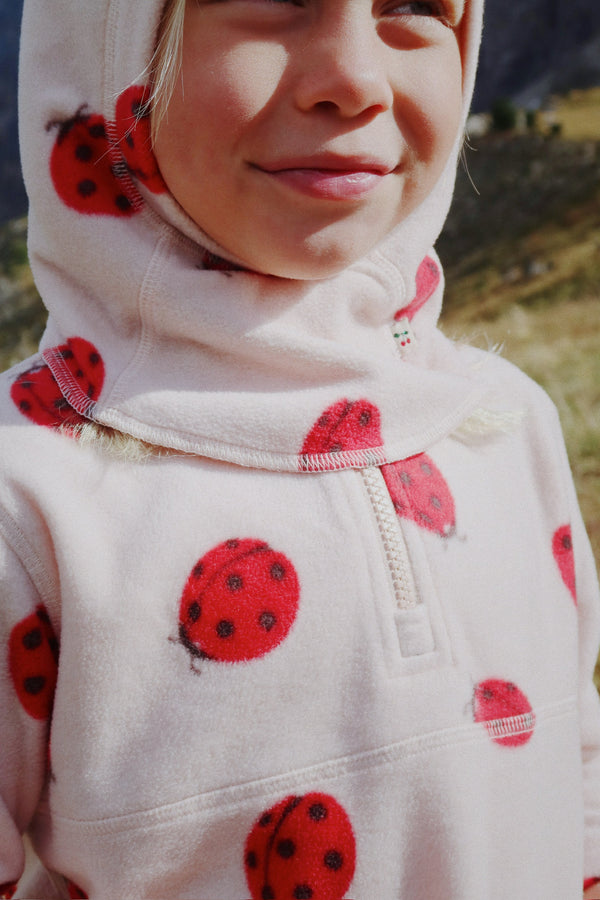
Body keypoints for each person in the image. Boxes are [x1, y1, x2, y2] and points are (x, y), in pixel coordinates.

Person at [0, 0, 599, 896]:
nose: (355, 79)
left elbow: (574, 788)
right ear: (111, 42)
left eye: (415, 7)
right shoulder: (29, 503)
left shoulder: (505, 424)